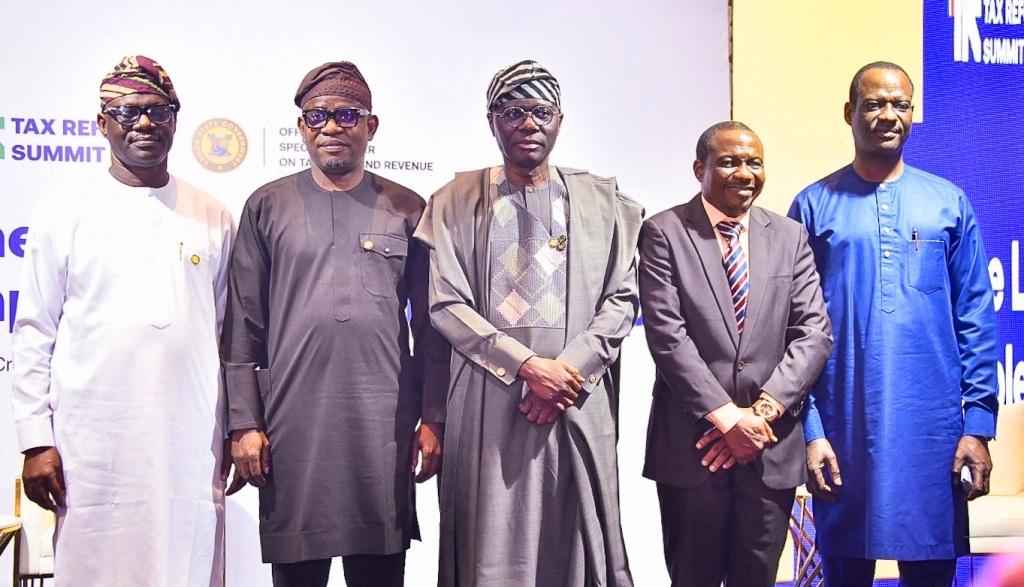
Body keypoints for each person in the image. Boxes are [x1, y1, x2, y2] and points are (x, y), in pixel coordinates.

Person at [220, 61, 450, 587]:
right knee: (298, 572)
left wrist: (434, 418)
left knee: (380, 571)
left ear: (371, 126)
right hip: (291, 428)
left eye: (348, 115)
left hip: (383, 428)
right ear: (301, 127)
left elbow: (433, 330)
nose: (331, 127)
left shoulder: (407, 208)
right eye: (317, 115)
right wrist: (244, 423)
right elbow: (242, 328)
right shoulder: (266, 206)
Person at [414, 60, 639, 586]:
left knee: (575, 542)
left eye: (540, 111)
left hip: (575, 396)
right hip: (489, 398)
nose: (528, 124)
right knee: (488, 540)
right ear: (491, 122)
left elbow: (623, 299)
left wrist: (567, 372)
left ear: (560, 119)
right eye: (512, 112)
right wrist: (528, 367)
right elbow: (446, 304)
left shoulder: (603, 203)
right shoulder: (453, 202)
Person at [11, 55, 234, 585]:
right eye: (128, 112)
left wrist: (234, 429)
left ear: (176, 120)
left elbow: (228, 336)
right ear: (102, 123)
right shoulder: (63, 211)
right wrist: (36, 440)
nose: (145, 123)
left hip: (189, 437)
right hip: (93, 439)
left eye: (159, 110)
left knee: (187, 558)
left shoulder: (212, 215)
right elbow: (34, 332)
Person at [788, 61, 999, 586]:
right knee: (845, 573)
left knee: (931, 573)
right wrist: (810, 432)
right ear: (849, 112)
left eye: (900, 105)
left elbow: (975, 319)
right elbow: (792, 331)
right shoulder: (813, 206)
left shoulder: (948, 202)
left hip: (933, 437)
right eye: (874, 104)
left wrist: (977, 427)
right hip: (843, 431)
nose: (889, 115)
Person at [638, 121, 832, 586]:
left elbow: (814, 333)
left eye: (754, 162)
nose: (744, 173)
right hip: (692, 450)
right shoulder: (664, 232)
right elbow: (667, 337)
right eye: (729, 162)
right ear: (699, 169)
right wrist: (727, 420)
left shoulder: (789, 236)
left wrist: (758, 417)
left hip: (769, 449)